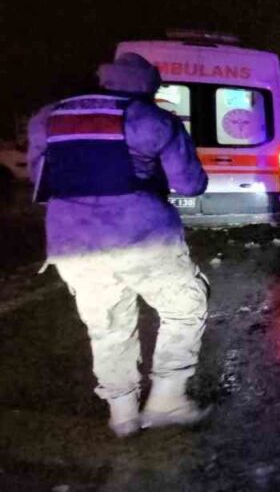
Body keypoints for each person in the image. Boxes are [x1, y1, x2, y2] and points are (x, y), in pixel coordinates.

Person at [27, 53, 210, 437]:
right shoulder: (152, 120)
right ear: (146, 85)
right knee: (184, 306)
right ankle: (166, 399)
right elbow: (191, 184)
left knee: (107, 325)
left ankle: (122, 412)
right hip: (143, 237)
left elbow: (39, 176)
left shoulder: (48, 117)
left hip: (72, 242)